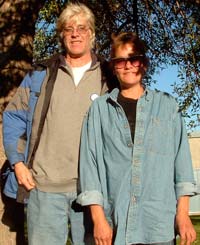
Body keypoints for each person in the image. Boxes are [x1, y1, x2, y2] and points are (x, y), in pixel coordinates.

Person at [2, 2, 110, 245]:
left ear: (91, 34)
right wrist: (18, 163)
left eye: (82, 28)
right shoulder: (40, 73)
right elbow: (14, 116)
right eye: (69, 28)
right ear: (61, 34)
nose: (75, 33)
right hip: (44, 188)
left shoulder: (108, 76)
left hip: (92, 190)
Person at [77, 32, 198, 245]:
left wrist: (183, 214)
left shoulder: (168, 106)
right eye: (120, 61)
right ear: (114, 67)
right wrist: (98, 219)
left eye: (134, 59)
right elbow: (90, 167)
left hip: (159, 225)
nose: (128, 66)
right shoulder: (99, 110)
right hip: (115, 226)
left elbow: (182, 165)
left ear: (144, 64)